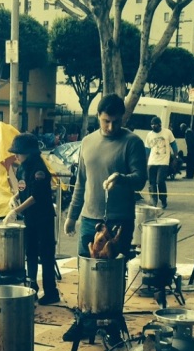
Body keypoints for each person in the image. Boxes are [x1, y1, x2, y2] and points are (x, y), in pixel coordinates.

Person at [63, 93, 147, 260]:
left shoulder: (132, 142)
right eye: (106, 121)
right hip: (88, 220)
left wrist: (121, 178)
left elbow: (140, 181)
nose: (111, 127)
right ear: (98, 116)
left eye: (116, 122)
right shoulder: (87, 142)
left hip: (119, 221)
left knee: (113, 275)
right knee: (86, 271)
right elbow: (81, 182)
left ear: (123, 118)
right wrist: (72, 217)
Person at [3, 133, 59, 305]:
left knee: (46, 254)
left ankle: (51, 292)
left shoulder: (38, 169)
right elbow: (23, 189)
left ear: (28, 152)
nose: (16, 155)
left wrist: (16, 211)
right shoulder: (22, 168)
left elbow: (36, 195)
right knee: (31, 253)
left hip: (43, 218)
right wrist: (15, 198)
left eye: (18, 152)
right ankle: (31, 287)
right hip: (30, 218)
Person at [145, 116, 178, 209]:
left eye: (155, 124)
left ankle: (163, 199)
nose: (153, 126)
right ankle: (153, 199)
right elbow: (147, 149)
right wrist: (146, 161)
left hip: (163, 162)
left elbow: (174, 145)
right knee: (151, 182)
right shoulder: (149, 135)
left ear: (160, 124)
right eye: (151, 125)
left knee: (160, 181)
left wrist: (176, 158)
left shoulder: (167, 132)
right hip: (152, 161)